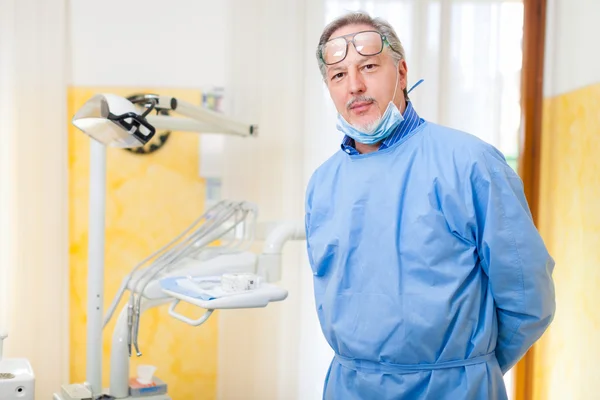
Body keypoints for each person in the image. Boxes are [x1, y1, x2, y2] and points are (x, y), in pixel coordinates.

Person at [304, 11, 556, 400]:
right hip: (349, 388)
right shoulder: (322, 184)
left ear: (401, 73)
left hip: (453, 387)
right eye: (338, 75)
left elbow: (528, 299)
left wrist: (470, 368)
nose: (354, 86)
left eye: (368, 67)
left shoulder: (470, 163)